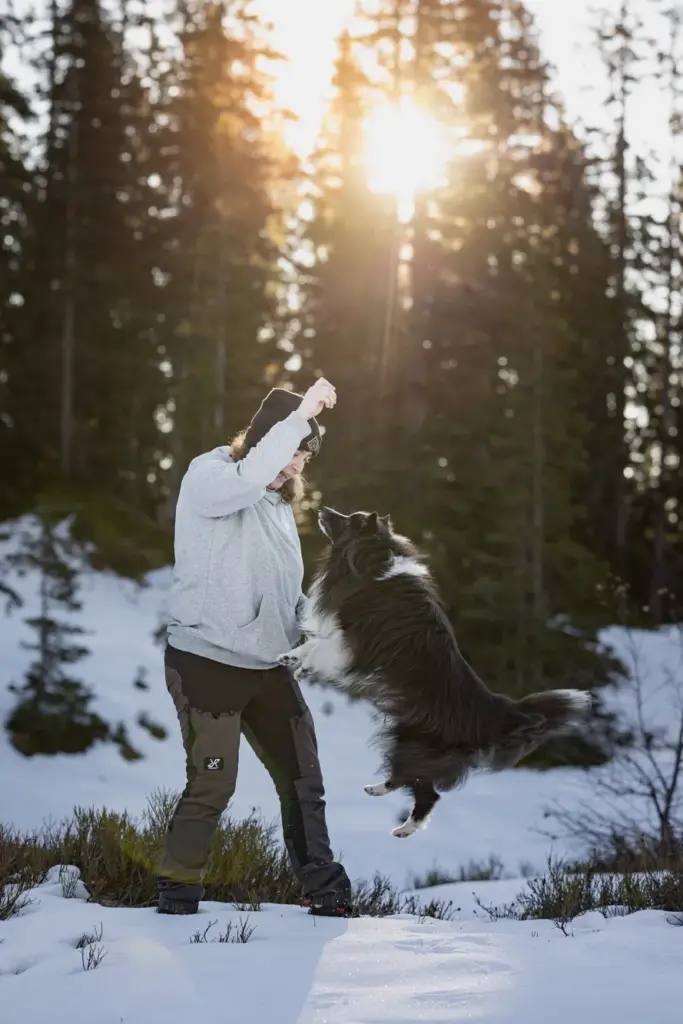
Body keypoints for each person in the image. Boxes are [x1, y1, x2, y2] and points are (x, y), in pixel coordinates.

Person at [157, 378, 351, 917]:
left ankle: (327, 891)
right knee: (213, 782)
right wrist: (299, 416)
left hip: (268, 668)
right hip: (206, 663)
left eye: (304, 459)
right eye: (292, 454)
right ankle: (178, 892)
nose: (296, 468)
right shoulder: (211, 476)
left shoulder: (277, 507)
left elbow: (287, 585)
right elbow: (249, 477)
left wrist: (307, 631)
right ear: (268, 438)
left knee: (303, 780)